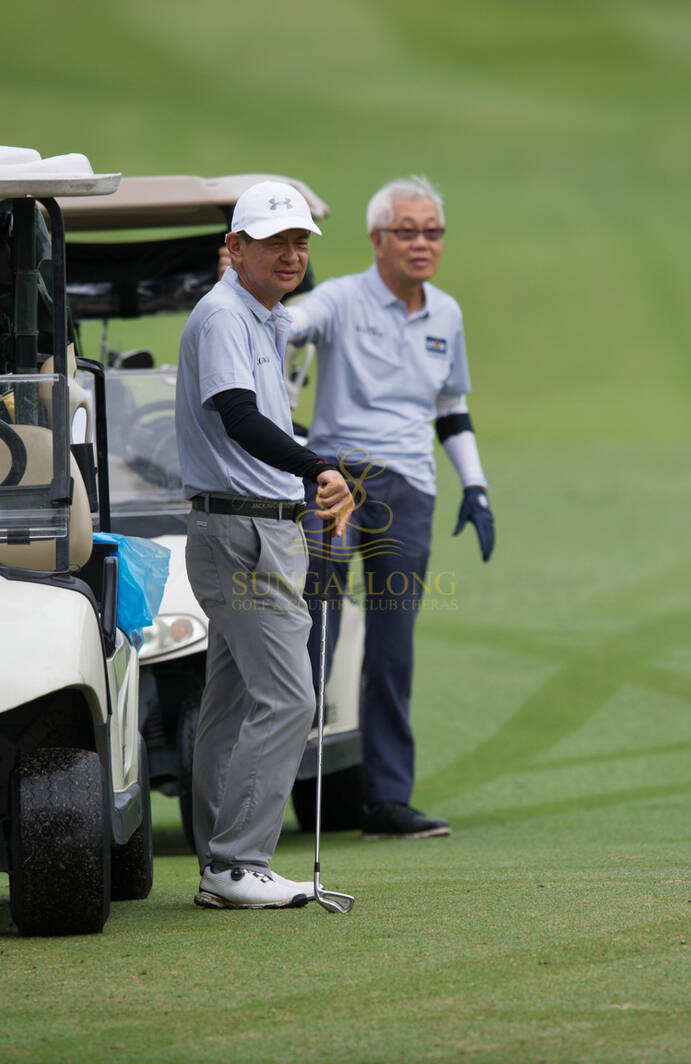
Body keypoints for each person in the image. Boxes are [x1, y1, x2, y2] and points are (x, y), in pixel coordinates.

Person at [291, 175, 494, 840]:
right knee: (310, 631)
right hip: (333, 477)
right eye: (406, 231)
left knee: (392, 646)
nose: (421, 243)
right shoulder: (341, 299)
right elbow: (287, 325)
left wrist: (475, 486)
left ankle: (384, 799)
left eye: (431, 232)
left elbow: (449, 407)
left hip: (408, 489)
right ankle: (277, 787)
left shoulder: (447, 314)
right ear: (377, 240)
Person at [176, 180, 356, 908]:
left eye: (299, 242)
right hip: (244, 531)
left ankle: (219, 861)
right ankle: (235, 861)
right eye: (274, 241)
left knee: (233, 699)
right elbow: (236, 415)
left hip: (250, 526)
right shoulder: (224, 314)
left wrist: (318, 469)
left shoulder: (260, 316)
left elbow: (264, 423)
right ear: (235, 248)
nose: (290, 254)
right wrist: (316, 467)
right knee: (288, 696)